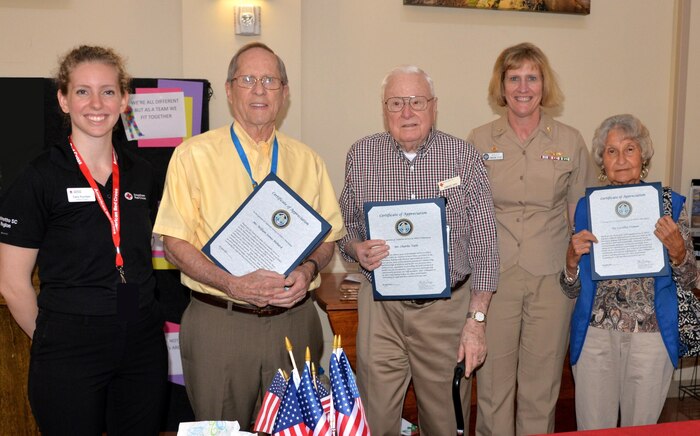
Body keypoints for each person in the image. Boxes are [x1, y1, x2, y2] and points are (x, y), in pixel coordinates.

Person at [152, 42, 345, 429]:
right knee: (221, 427)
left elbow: (329, 238)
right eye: (248, 79)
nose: (260, 89)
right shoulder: (193, 155)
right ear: (228, 89)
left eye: (271, 80)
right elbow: (173, 242)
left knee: (298, 428)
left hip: (294, 320)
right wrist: (231, 283)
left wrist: (308, 271)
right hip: (220, 321)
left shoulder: (307, 160)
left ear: (285, 93)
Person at [0, 45, 167, 435]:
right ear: (62, 99)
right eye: (82, 91)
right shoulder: (39, 177)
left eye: (108, 91)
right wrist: (52, 338)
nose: (97, 103)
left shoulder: (141, 173)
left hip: (140, 337)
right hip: (69, 344)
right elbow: (11, 282)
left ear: (124, 100)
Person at [338, 65, 500, 435]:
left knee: (445, 422)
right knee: (374, 421)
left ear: (434, 106)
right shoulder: (361, 156)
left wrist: (475, 323)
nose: (407, 112)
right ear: (384, 108)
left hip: (445, 313)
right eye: (396, 103)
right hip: (381, 313)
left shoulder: (463, 157)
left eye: (416, 101)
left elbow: (486, 248)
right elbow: (343, 229)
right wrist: (356, 249)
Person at [467, 42, 597, 436]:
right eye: (514, 78)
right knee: (493, 387)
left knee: (542, 387)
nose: (523, 87)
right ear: (502, 85)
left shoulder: (570, 140)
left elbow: (582, 215)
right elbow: (465, 212)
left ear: (544, 84)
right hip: (495, 277)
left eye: (532, 77)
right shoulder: (477, 139)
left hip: (550, 279)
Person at [562, 114, 698, 429]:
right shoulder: (587, 208)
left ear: (643, 156)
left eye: (629, 149)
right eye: (611, 151)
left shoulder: (671, 206)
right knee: (594, 428)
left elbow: (691, 280)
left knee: (641, 430)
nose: (621, 159)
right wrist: (570, 263)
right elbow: (571, 289)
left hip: (651, 339)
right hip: (596, 337)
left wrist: (678, 251)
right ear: (602, 161)